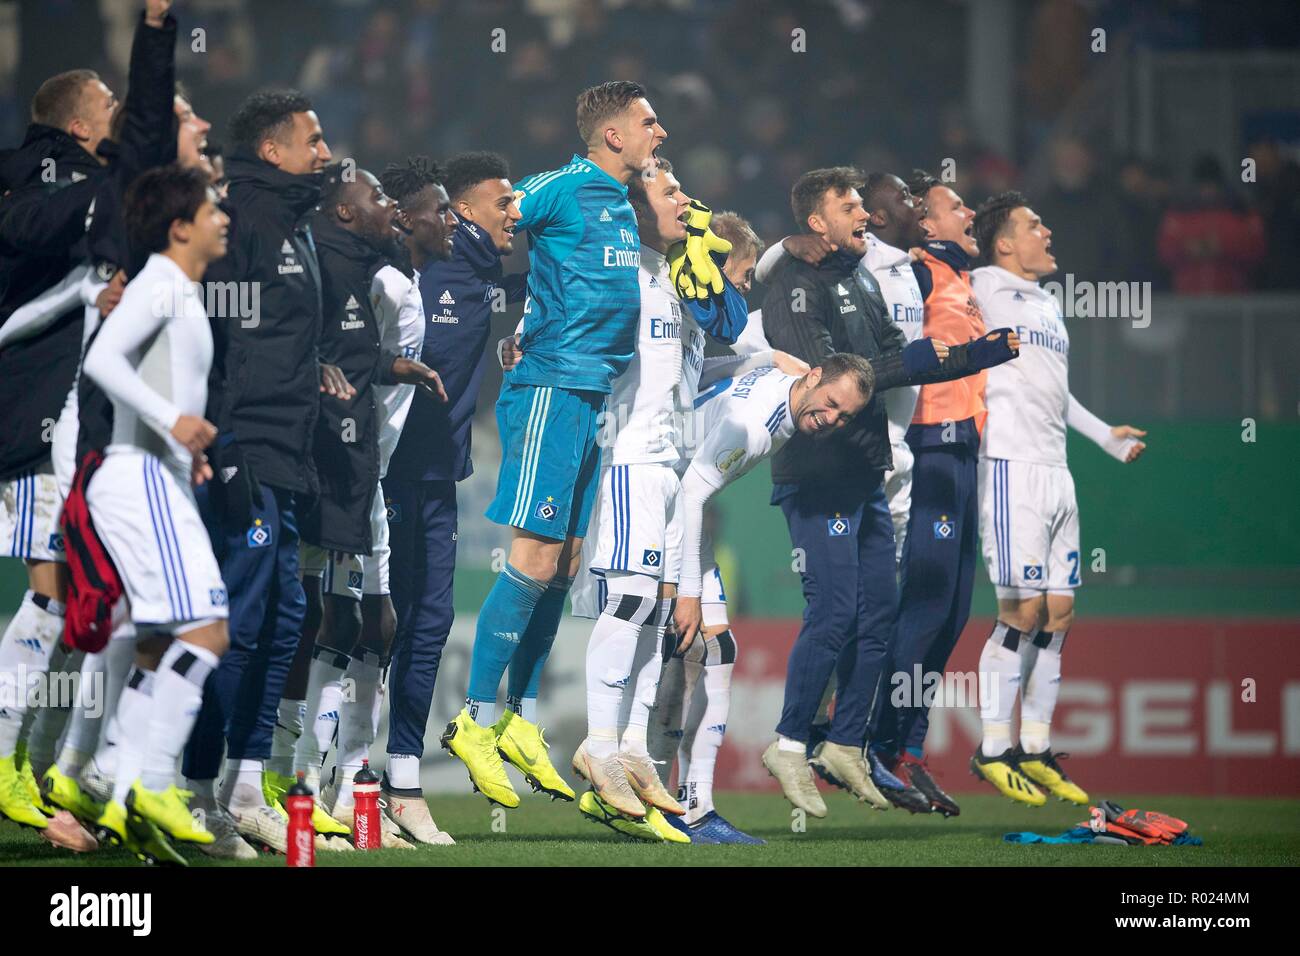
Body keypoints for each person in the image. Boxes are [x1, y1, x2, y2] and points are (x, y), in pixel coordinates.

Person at [441, 82, 680, 811]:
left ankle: (523, 717)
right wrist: (491, 308)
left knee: (565, 564)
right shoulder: (560, 186)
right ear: (611, 135)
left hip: (590, 397)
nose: (659, 133)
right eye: (647, 123)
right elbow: (487, 223)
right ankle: (475, 723)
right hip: (549, 387)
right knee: (534, 558)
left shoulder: (622, 203)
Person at [758, 167, 1018, 819]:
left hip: (870, 471)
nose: (865, 215)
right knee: (836, 613)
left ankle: (847, 742)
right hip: (821, 477)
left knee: (878, 615)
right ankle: (791, 742)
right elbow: (832, 382)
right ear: (816, 222)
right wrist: (939, 359)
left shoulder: (865, 276)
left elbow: (895, 358)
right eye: (850, 206)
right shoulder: (794, 282)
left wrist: (970, 356)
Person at [180, 89, 345, 854]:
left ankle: (246, 789)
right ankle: (192, 787)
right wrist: (226, 437)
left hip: (287, 447)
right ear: (273, 150)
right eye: (311, 140)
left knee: (284, 622)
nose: (324, 151)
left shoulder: (296, 223)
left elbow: (275, 337)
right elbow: (214, 334)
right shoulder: (241, 217)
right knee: (238, 623)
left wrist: (312, 373)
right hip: (245, 443)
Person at [273, 164, 443, 849]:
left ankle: (346, 785)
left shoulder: (410, 281)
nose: (450, 221)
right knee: (328, 615)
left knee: (373, 621)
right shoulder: (379, 282)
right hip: (337, 465)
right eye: (439, 210)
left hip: (367, 470)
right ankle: (297, 780)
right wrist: (387, 368)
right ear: (401, 216)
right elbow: (340, 351)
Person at [969, 191, 1146, 805]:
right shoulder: (981, 286)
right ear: (1003, 244)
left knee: (1059, 613)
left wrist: (1104, 436)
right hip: (1009, 467)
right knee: (1019, 611)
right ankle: (993, 746)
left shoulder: (1046, 304)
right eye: (1032, 223)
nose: (1046, 230)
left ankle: (1036, 744)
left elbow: (1055, 393)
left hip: (1056, 471)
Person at [82, 164, 231, 865]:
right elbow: (103, 360)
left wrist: (184, 446)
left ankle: (117, 788)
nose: (223, 216)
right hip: (138, 478)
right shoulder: (159, 283)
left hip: (156, 475)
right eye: (212, 208)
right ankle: (155, 780)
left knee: (160, 641)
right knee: (206, 632)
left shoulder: (181, 290)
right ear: (180, 226)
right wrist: (172, 421)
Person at [0, 32, 126, 851]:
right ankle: (11, 768)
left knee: (85, 601)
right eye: (111, 109)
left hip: (71, 425)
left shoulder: (82, 183)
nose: (120, 120)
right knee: (51, 591)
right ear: (81, 127)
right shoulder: (44, 180)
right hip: (37, 422)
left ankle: (44, 771)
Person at [868, 170, 1003, 810]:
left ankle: (906, 748)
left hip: (965, 449)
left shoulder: (960, 278)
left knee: (952, 611)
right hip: (930, 446)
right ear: (925, 226)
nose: (969, 210)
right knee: (924, 604)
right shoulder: (914, 270)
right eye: (956, 205)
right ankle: (875, 742)